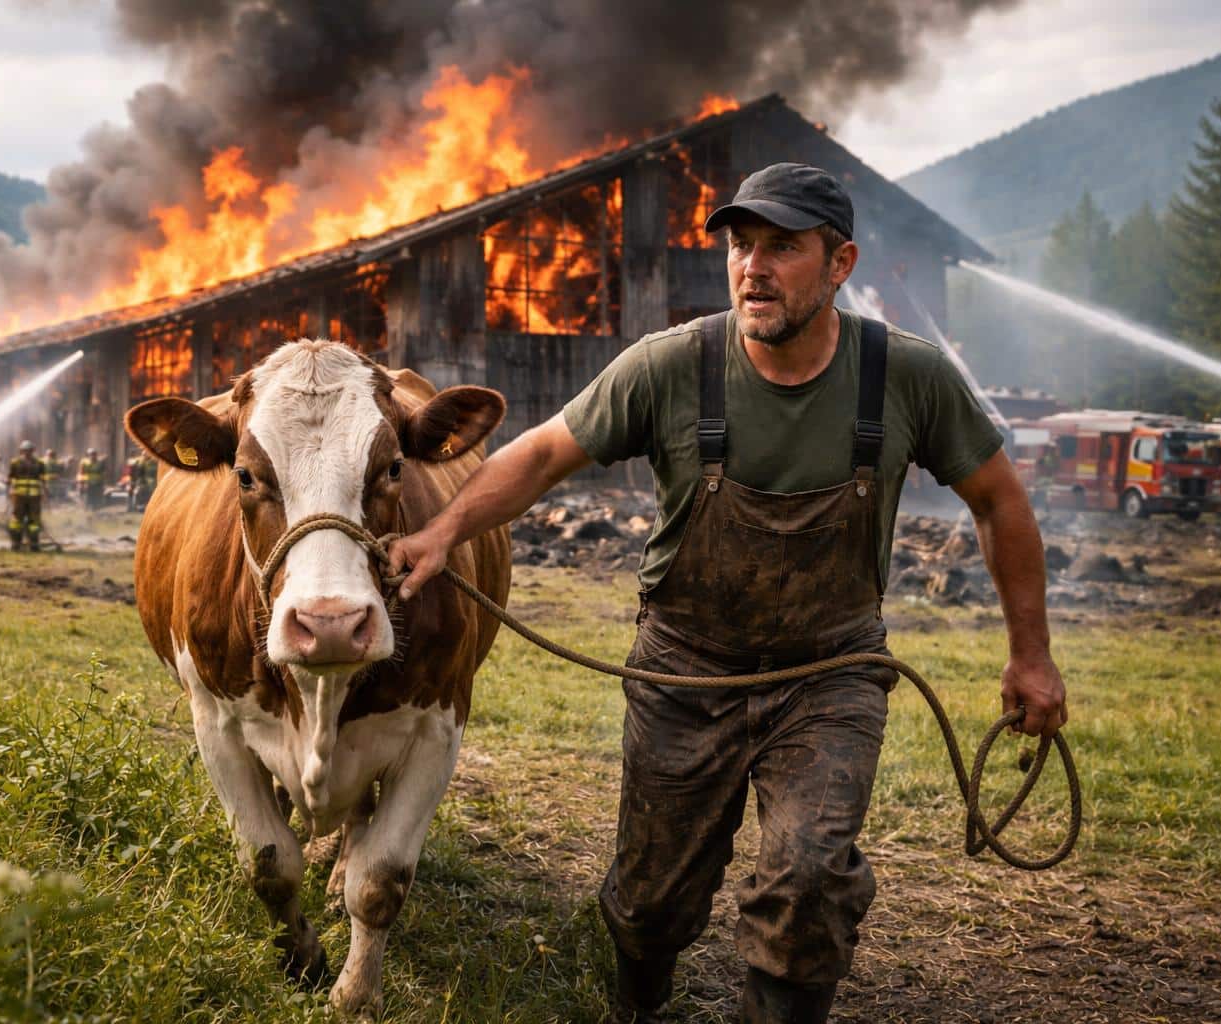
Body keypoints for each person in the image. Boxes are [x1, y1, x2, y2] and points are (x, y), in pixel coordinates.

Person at [388, 163, 1068, 1023]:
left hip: (832, 674)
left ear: (840, 264)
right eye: (742, 246)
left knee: (811, 877)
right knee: (649, 902)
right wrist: (442, 529)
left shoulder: (905, 377)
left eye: (783, 247)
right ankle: (641, 994)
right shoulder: (671, 366)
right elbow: (542, 454)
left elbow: (1000, 501)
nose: (754, 266)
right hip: (685, 672)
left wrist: (1032, 656)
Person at [8, 440, 46, 552]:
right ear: (21, 451)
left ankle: (34, 543)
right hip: (19, 496)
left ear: (33, 451)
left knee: (34, 520)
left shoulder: (40, 463)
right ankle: (16, 543)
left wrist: (44, 493)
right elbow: (10, 477)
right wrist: (10, 491)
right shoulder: (15, 463)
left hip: (34, 496)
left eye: (29, 450)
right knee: (16, 520)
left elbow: (42, 479)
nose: (27, 453)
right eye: (25, 450)